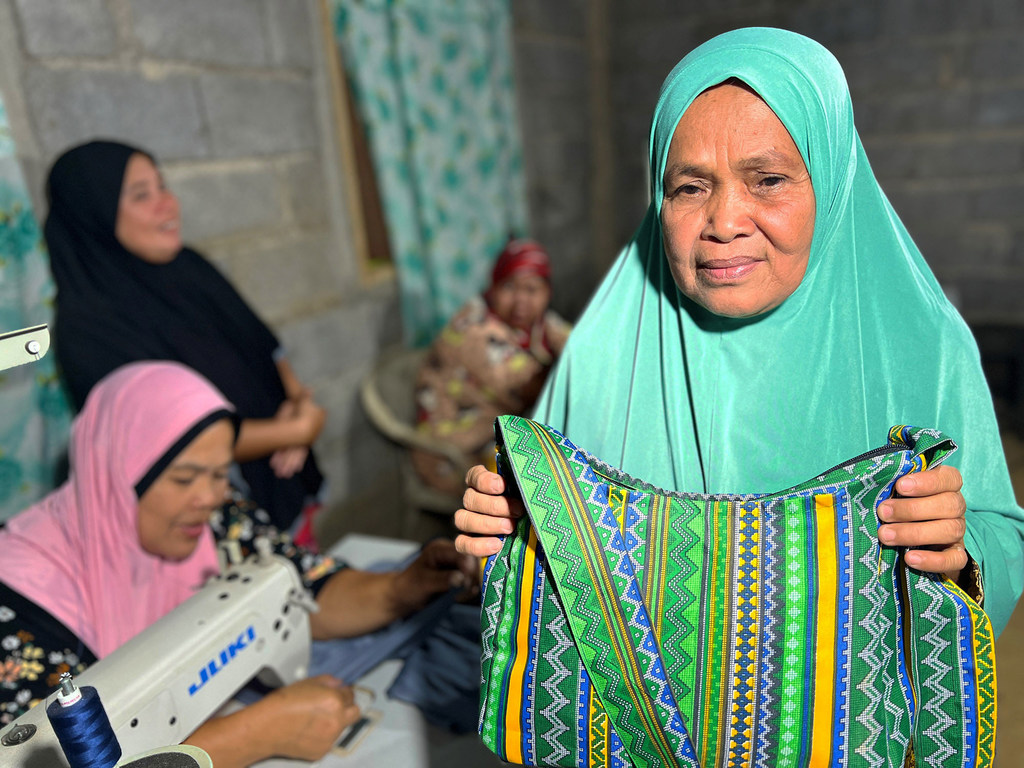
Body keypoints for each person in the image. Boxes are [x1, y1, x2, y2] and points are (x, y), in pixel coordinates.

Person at [453, 27, 1024, 638]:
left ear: (830, 183)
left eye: (768, 180)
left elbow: (999, 540)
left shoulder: (924, 347)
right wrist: (501, 543)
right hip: (639, 725)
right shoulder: (602, 353)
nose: (723, 222)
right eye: (690, 188)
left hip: (844, 723)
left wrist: (957, 553)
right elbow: (524, 585)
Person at [0, 361, 477, 767]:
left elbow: (305, 591)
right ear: (114, 478)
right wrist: (253, 734)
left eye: (220, 473)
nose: (210, 497)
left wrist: (405, 586)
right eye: (186, 478)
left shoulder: (218, 517)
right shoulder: (18, 602)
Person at [44, 140, 324, 536]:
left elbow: (264, 345)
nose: (167, 204)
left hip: (281, 473)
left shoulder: (189, 268)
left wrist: (296, 405)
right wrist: (298, 431)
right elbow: (175, 439)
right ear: (95, 214)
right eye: (142, 195)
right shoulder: (90, 329)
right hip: (211, 525)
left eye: (162, 186)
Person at [413, 238, 571, 494]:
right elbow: (530, 387)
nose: (521, 300)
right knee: (552, 483)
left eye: (532, 290)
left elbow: (574, 343)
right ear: (494, 287)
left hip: (496, 432)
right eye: (509, 287)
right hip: (454, 452)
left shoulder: (536, 322)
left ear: (547, 293)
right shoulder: (473, 329)